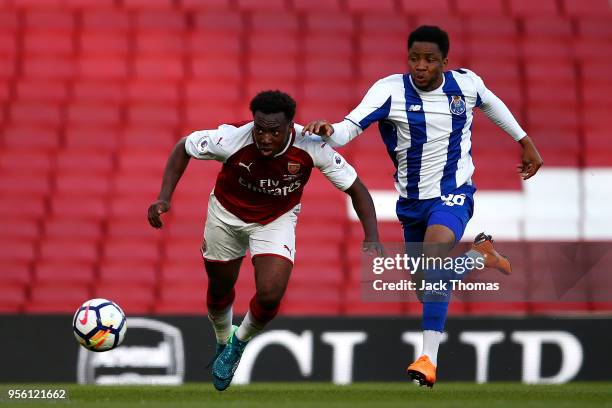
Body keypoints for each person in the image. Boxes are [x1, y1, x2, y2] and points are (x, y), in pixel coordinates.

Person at [303, 25, 543, 387]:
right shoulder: (389, 90)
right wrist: (327, 131)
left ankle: (428, 359)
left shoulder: (465, 85)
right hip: (412, 202)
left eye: (430, 59)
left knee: (433, 255)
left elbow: (491, 103)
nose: (420, 65)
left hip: (453, 191)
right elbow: (349, 128)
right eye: (414, 58)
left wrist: (524, 141)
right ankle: (481, 256)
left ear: (444, 62)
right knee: (426, 285)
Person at [147, 90, 382, 391]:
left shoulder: (312, 146)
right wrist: (164, 197)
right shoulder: (231, 139)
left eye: (274, 131)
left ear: (290, 128)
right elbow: (184, 147)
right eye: (260, 129)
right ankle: (222, 341)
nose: (265, 138)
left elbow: (357, 189)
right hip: (225, 216)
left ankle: (237, 344)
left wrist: (372, 235)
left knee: (270, 294)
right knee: (220, 288)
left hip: (275, 220)